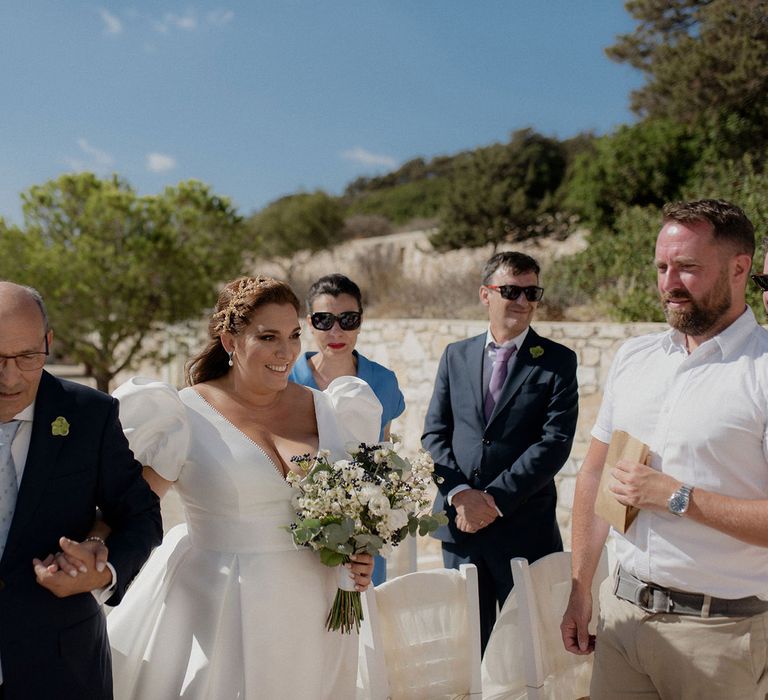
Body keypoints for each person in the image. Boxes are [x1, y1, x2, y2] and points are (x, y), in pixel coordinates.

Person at [105, 276, 380, 700]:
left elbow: (353, 505)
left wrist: (361, 551)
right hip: (223, 612)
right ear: (229, 340)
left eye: (293, 336)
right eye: (267, 337)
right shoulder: (181, 413)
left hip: (319, 609)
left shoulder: (329, 407)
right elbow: (133, 512)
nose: (286, 352)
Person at [561, 199, 768, 699]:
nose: (669, 282)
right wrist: (581, 587)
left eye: (689, 268)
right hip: (621, 620)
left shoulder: (762, 372)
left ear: (740, 268)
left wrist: (677, 496)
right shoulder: (635, 357)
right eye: (661, 266)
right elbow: (594, 476)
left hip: (718, 640)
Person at [0, 281, 161, 700]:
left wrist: (101, 574)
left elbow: (140, 515)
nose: (10, 376)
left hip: (60, 669)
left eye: (27, 356)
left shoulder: (91, 415)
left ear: (49, 342)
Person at [422, 251, 578, 650]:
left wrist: (492, 500)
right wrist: (461, 495)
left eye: (532, 292)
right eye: (511, 290)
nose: (523, 301)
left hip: (524, 529)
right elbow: (435, 435)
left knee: (527, 649)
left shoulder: (558, 362)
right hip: (461, 529)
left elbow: (554, 443)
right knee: (466, 647)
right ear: (485, 294)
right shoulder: (455, 356)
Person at [289, 273, 405, 585]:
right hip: (298, 535)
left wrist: (371, 530)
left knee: (364, 626)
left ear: (360, 322)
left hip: (362, 542)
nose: (336, 331)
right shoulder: (288, 381)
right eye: (324, 320)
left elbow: (382, 459)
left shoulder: (384, 381)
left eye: (348, 319)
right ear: (309, 323)